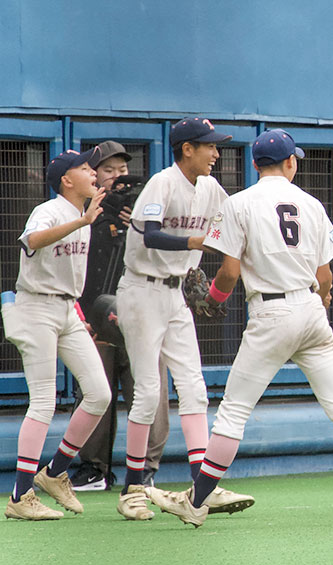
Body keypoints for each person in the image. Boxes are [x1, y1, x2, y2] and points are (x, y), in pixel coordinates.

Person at [145, 129, 333, 526]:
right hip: (311, 308)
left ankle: (195, 504)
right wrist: (323, 300)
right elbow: (325, 275)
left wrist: (213, 299)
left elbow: (229, 272)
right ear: (291, 163)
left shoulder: (240, 203)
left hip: (271, 312)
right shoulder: (311, 203)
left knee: (233, 412)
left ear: (254, 164)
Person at [114, 118, 254, 520]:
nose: (216, 153)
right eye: (209, 146)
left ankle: (201, 486)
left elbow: (233, 226)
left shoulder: (211, 188)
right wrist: (197, 241)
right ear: (186, 148)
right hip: (141, 290)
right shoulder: (163, 182)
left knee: (194, 387)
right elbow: (150, 235)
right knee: (149, 392)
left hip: (176, 293)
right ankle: (133, 488)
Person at [2, 148, 112, 520]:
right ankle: (19, 496)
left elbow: (66, 275)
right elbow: (31, 241)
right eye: (84, 168)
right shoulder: (48, 210)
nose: (92, 172)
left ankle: (55, 472)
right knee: (44, 402)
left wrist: (78, 313)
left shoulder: (82, 214)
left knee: (99, 393)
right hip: (35, 308)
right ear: (66, 179)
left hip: (66, 309)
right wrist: (82, 223)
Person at [70, 141, 170, 491]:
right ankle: (93, 468)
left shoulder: (149, 215)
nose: (117, 179)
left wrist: (139, 227)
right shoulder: (83, 215)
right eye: (109, 171)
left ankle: (146, 470)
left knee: (149, 388)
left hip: (144, 314)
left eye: (122, 171)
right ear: (93, 176)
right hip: (98, 316)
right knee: (97, 389)